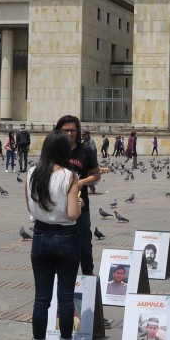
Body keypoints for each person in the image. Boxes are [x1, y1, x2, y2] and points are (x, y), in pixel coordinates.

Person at [23, 129, 82, 340]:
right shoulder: (70, 176)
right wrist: (79, 201)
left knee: (41, 298)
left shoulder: (30, 174)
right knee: (66, 298)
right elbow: (72, 214)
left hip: (40, 237)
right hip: (66, 237)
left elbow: (29, 208)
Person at [56, 115, 101, 276]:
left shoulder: (85, 151)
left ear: (78, 131)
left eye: (72, 130)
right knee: (60, 244)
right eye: (65, 130)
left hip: (81, 205)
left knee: (84, 243)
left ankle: (88, 276)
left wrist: (80, 183)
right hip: (58, 206)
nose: (69, 134)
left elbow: (96, 175)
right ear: (59, 131)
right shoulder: (55, 151)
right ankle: (64, 277)